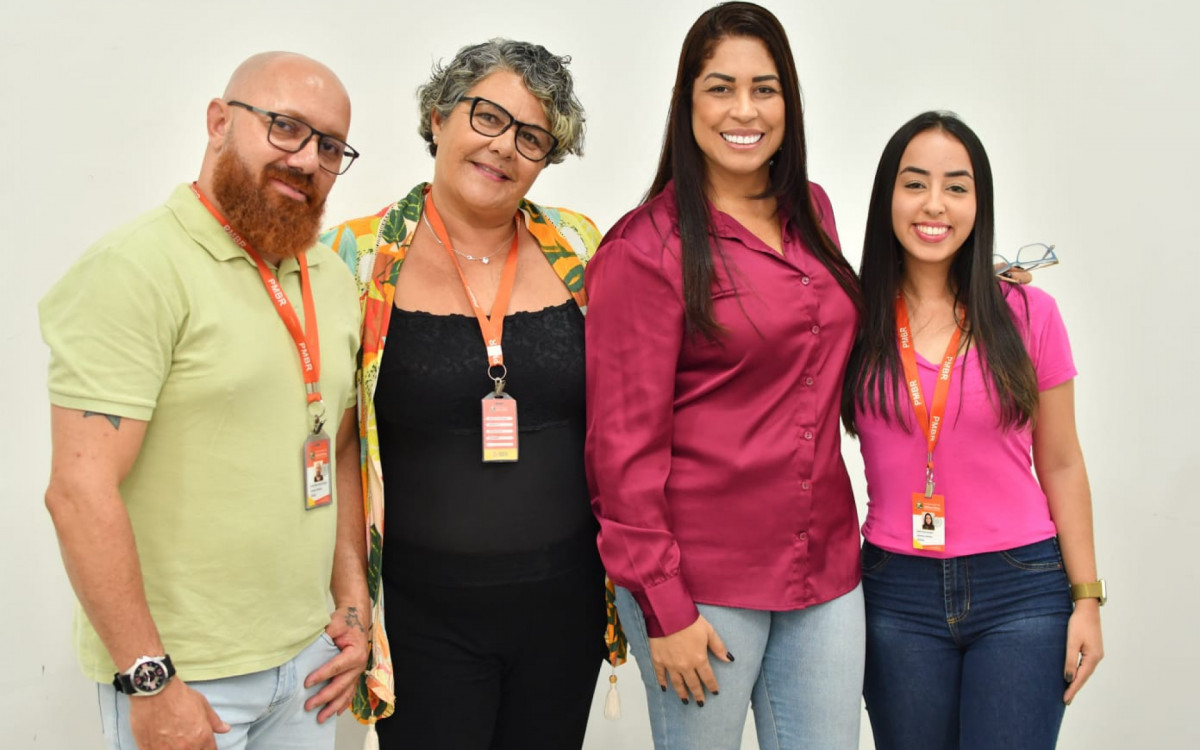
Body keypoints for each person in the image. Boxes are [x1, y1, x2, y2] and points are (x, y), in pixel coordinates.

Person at [39, 52, 368, 750]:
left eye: (330, 146)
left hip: (310, 662)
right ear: (219, 121)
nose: (307, 159)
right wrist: (150, 679)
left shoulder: (332, 278)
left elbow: (336, 446)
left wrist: (353, 604)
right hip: (188, 678)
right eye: (284, 128)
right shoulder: (136, 269)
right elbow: (78, 490)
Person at [322, 38, 618, 750]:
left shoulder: (581, 246)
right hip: (425, 619)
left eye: (532, 137)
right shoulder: (354, 257)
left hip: (565, 611)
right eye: (487, 117)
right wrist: (353, 600)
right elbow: (335, 446)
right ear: (437, 115)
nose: (505, 148)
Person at [585, 4, 867, 749]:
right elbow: (621, 451)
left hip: (827, 571)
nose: (744, 110)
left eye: (765, 89)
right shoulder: (644, 250)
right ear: (687, 102)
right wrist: (663, 606)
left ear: (789, 102)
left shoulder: (814, 211)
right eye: (720, 88)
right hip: (703, 585)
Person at [842, 111, 1104, 750]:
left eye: (957, 187)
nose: (935, 204)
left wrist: (1088, 599)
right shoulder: (850, 314)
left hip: (1023, 591)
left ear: (978, 204)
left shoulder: (1028, 313)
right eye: (915, 184)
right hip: (893, 593)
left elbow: (1063, 463)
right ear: (887, 197)